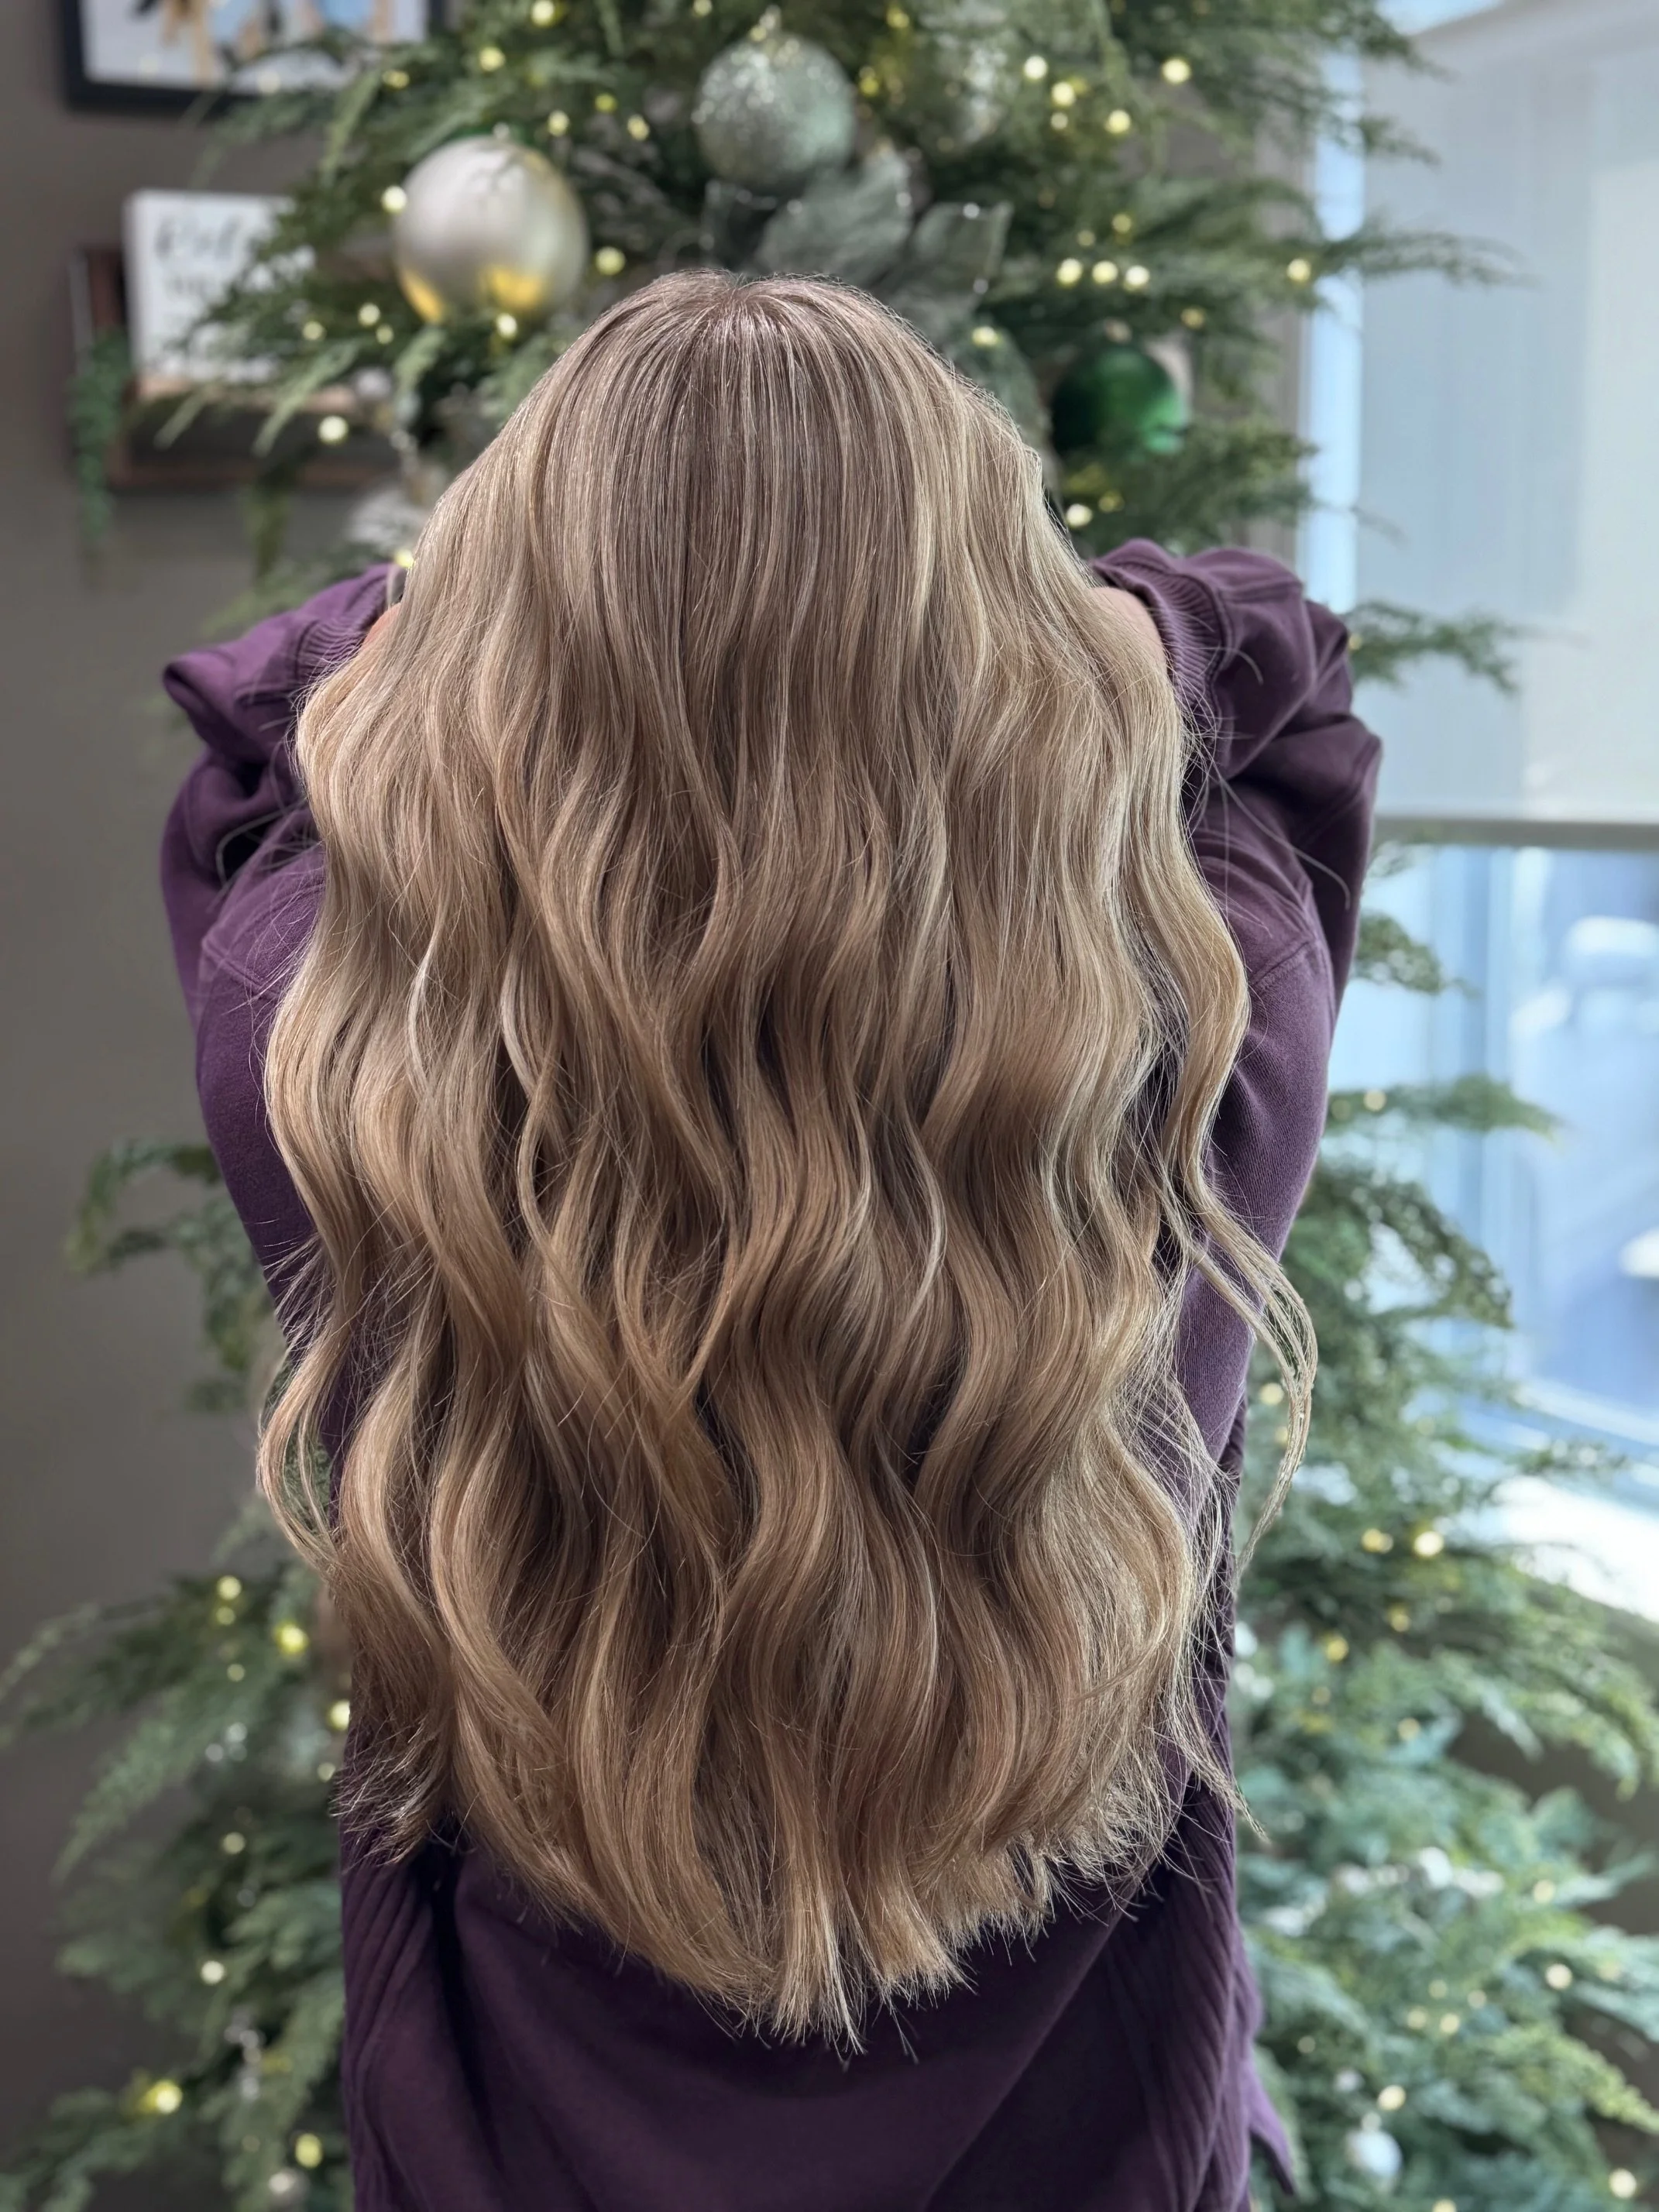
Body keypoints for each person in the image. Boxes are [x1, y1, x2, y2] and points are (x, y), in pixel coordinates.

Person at [160, 270, 1380, 2212]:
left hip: (511, 2152)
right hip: (1091, 2152)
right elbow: (1276, 671)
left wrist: (514, 605)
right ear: (997, 632)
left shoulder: (330, 1065)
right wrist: (1008, 625)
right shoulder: (1206, 1028)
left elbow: (253, 745)